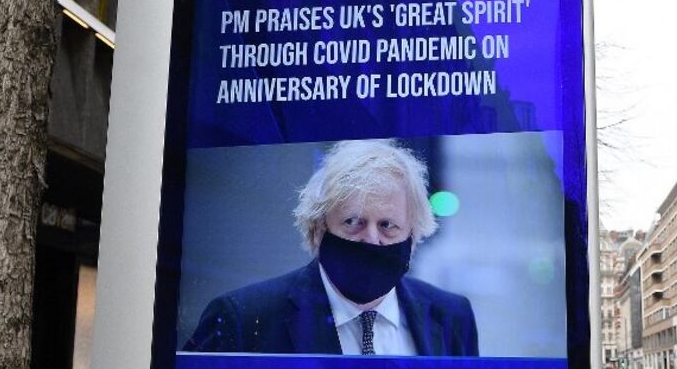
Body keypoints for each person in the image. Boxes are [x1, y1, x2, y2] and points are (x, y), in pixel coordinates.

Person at [184, 139, 479, 356]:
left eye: (388, 226)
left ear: (413, 236)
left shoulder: (452, 316)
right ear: (318, 228)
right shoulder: (243, 319)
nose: (371, 240)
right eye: (353, 222)